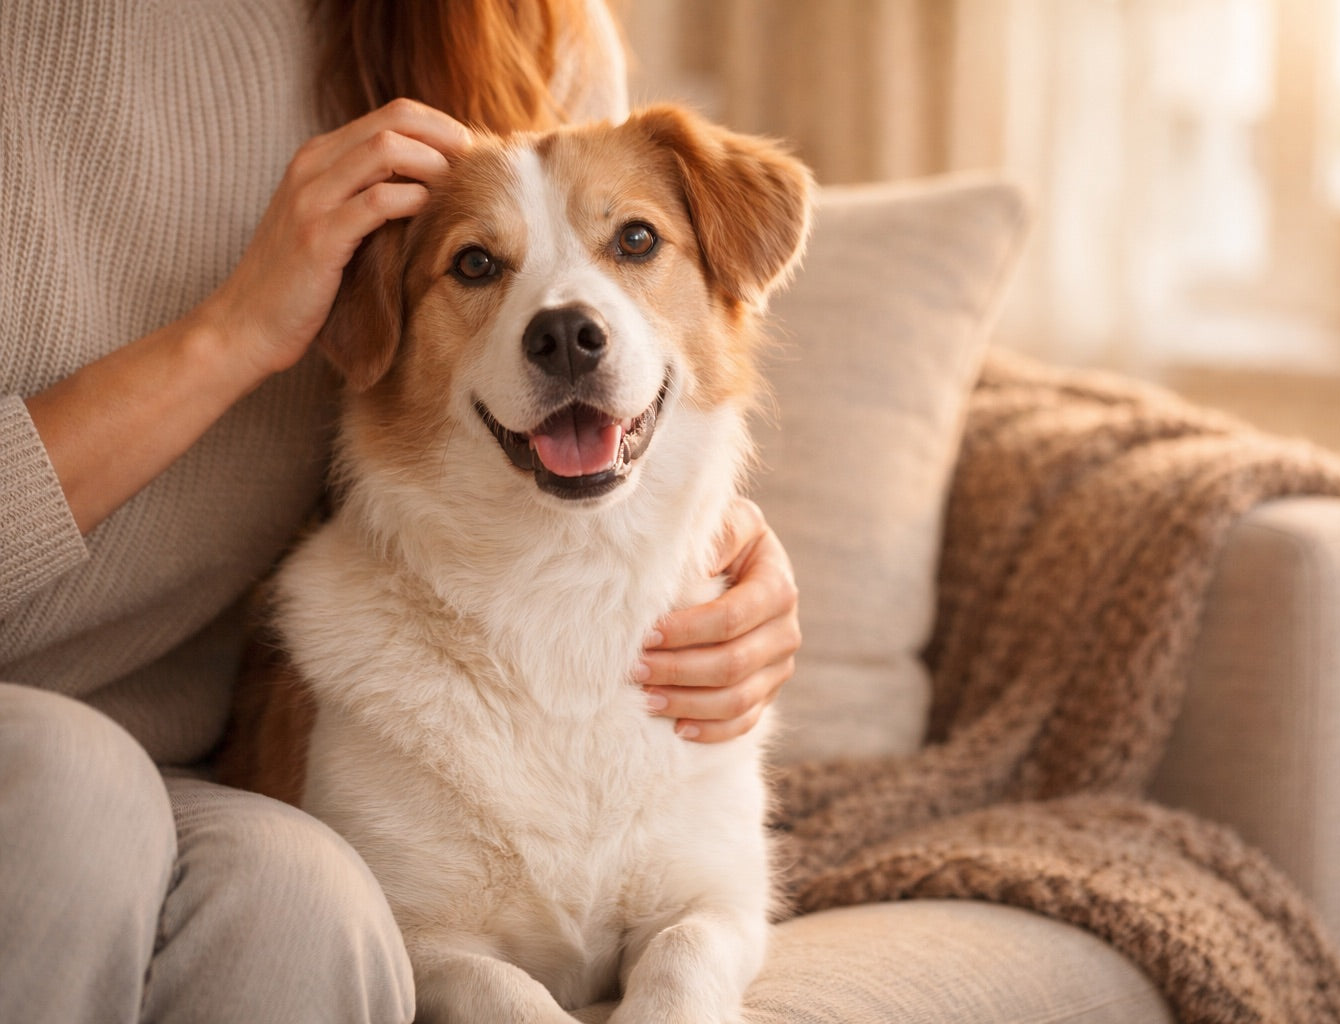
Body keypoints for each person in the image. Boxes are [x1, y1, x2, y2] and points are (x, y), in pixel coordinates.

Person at [0, 1, 800, 1021]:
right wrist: (238, 326)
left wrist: (723, 540)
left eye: (630, 239)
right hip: (72, 735)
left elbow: (644, 342)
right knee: (74, 787)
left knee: (310, 904)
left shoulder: (521, 22)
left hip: (188, 760)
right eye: (478, 262)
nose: (564, 321)